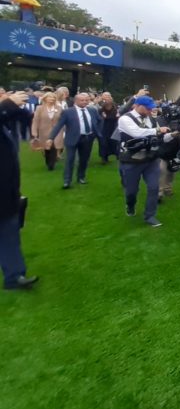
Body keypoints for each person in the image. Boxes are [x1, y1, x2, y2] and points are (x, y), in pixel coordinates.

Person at [0, 91, 39, 290]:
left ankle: (14, 276)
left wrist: (17, 106)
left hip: (6, 190)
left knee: (9, 231)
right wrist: (7, 104)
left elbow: (26, 119)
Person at [117, 95, 172, 227]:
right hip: (131, 161)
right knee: (131, 191)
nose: (150, 111)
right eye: (147, 109)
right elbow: (137, 133)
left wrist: (172, 135)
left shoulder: (152, 120)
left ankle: (150, 216)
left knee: (154, 188)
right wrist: (158, 130)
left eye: (151, 109)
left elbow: (159, 138)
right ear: (138, 106)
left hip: (150, 160)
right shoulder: (125, 119)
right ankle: (130, 205)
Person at [47, 92, 102, 189]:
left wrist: (96, 132)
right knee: (70, 160)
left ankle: (81, 177)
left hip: (87, 138)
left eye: (86, 100)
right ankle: (67, 181)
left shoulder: (92, 110)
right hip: (72, 138)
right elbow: (59, 125)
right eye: (82, 100)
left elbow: (99, 120)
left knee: (84, 159)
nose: (85, 102)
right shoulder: (68, 112)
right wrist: (51, 138)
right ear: (76, 101)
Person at [30, 91, 64, 170]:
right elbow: (35, 121)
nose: (52, 99)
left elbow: (63, 120)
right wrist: (34, 133)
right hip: (44, 131)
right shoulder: (39, 108)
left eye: (53, 97)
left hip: (57, 131)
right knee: (46, 148)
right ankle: (48, 160)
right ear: (45, 99)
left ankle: (51, 164)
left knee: (54, 146)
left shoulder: (59, 108)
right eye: (50, 97)